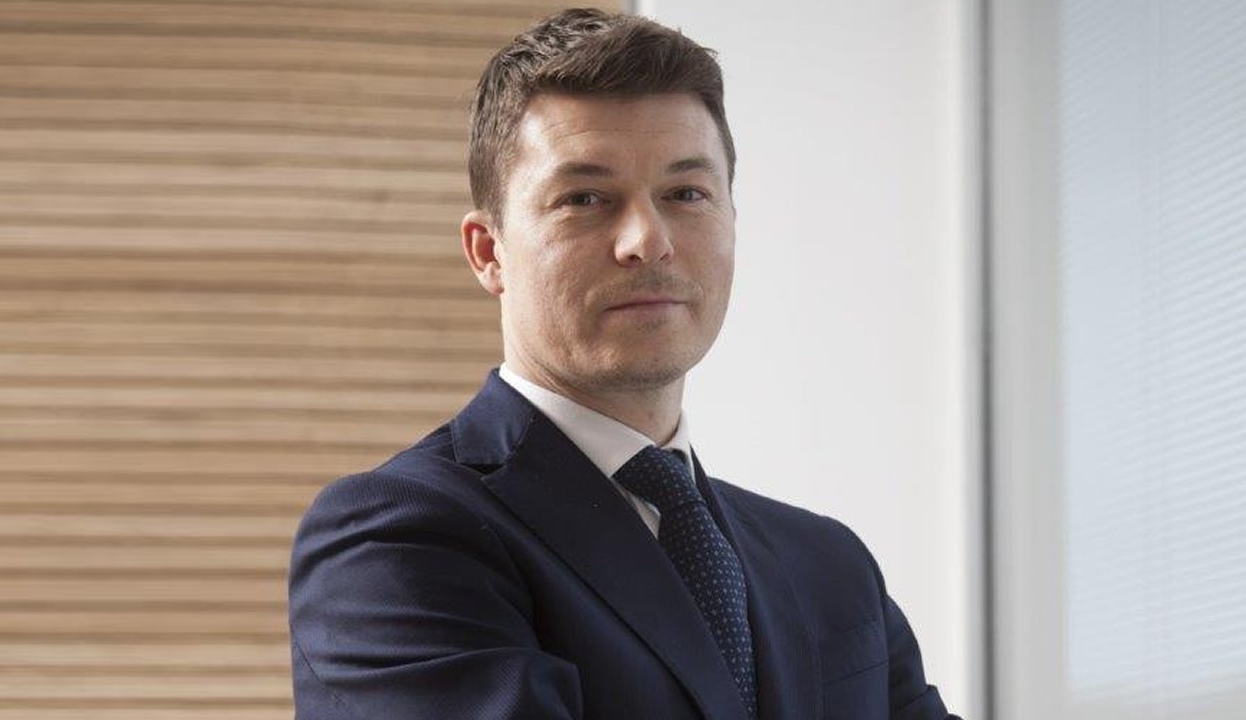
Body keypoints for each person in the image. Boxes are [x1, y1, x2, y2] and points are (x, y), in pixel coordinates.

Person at [289, 8, 960, 720]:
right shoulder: (396, 540)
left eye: (686, 194)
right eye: (585, 199)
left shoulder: (829, 566)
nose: (647, 239)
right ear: (489, 252)